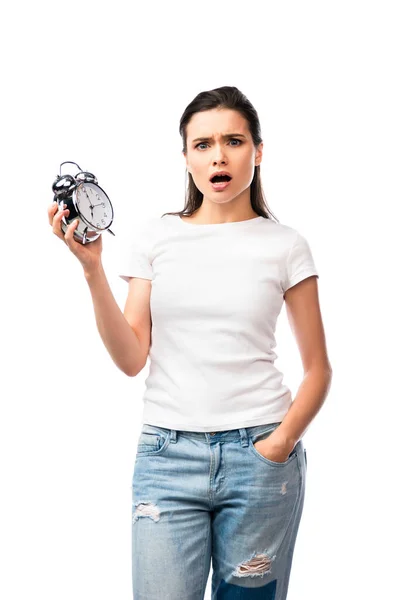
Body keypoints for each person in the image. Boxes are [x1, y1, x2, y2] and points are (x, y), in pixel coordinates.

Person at [48, 85, 332, 600]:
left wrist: (280, 443)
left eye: (233, 140)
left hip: (260, 458)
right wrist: (92, 271)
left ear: (258, 151)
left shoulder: (285, 244)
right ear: (185, 158)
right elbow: (133, 358)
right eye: (202, 144)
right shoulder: (156, 238)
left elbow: (319, 370)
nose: (218, 155)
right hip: (167, 456)